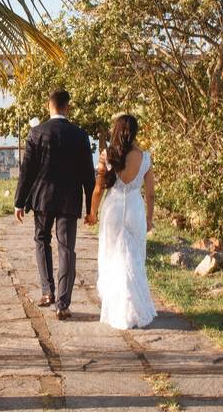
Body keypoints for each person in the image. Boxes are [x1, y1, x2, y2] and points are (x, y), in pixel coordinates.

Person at [13, 90, 95, 320]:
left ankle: (48, 291)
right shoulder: (80, 135)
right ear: (67, 107)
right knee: (66, 249)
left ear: (49, 106)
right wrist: (91, 209)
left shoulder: (37, 133)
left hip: (42, 198)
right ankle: (63, 304)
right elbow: (88, 176)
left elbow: (26, 172)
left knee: (41, 241)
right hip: (70, 199)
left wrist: (19, 202)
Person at [85, 113, 157, 329]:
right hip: (135, 208)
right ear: (135, 132)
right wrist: (150, 218)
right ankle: (135, 308)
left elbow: (98, 189)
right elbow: (151, 193)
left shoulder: (107, 156)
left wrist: (92, 213)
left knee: (113, 256)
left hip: (113, 209)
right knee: (134, 257)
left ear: (115, 131)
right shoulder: (145, 158)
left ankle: (118, 308)